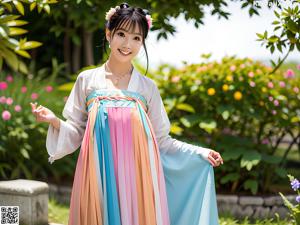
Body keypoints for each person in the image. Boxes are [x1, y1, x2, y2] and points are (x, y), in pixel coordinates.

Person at [30, 3, 223, 225]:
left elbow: (161, 140)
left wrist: (199, 152)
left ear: (142, 42)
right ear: (108, 33)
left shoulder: (147, 88)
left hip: (137, 181)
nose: (127, 44)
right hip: (97, 176)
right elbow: (77, 131)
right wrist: (54, 121)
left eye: (136, 38)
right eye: (121, 34)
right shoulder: (87, 80)